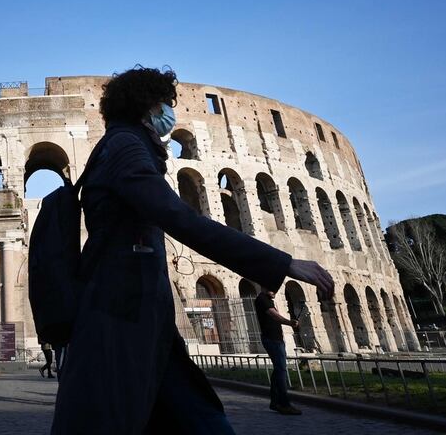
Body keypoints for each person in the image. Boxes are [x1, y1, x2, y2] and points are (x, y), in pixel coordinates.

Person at [51, 67, 334, 434]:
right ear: (148, 105)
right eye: (167, 104)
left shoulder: (122, 145)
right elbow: (178, 216)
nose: (172, 112)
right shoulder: (125, 147)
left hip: (138, 319)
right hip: (122, 317)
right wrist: (282, 262)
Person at [253, 289, 301, 415]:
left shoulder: (268, 299)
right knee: (281, 370)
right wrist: (289, 323)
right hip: (272, 339)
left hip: (276, 339)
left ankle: (275, 402)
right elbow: (274, 315)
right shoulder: (262, 299)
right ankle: (284, 403)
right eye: (272, 289)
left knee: (278, 369)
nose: (275, 292)